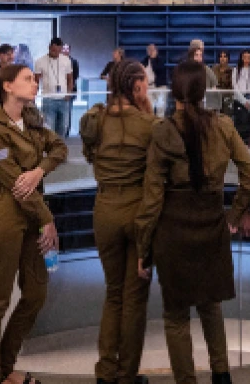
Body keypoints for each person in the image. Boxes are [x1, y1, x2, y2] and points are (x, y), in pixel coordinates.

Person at [135, 60, 250, 384]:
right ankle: (222, 375)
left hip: (172, 230)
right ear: (205, 91)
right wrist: (235, 215)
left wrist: (142, 248)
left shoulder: (162, 131)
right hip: (212, 225)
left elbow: (152, 199)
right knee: (211, 305)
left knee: (176, 316)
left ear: (174, 91)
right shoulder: (224, 125)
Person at [0, 64, 68, 384]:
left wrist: (39, 171)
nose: (34, 83)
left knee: (36, 294)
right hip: (6, 216)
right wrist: (47, 220)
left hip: (34, 213)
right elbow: (16, 186)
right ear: (8, 87)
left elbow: (59, 148)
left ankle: (5, 365)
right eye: (28, 79)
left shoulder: (32, 119)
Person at [79, 60, 158, 384]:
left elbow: (88, 156)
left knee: (113, 293)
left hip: (105, 209)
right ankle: (126, 375)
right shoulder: (148, 124)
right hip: (138, 210)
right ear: (136, 86)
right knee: (134, 297)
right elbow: (156, 178)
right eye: (146, 84)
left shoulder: (94, 120)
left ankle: (105, 372)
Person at [35, 37, 75, 135]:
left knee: (63, 127)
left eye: (58, 51)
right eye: (53, 50)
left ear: (61, 49)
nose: (55, 53)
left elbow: (70, 78)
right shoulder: (40, 61)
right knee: (49, 128)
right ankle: (50, 149)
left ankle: (60, 148)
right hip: (48, 99)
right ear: (49, 48)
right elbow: (36, 80)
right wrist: (34, 97)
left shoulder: (66, 60)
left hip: (64, 99)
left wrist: (69, 93)